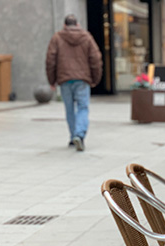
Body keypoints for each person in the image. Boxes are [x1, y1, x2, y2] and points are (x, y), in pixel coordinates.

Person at [45, 14, 103, 151]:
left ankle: (73, 137)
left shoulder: (57, 37)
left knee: (69, 109)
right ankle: (79, 134)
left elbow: (50, 60)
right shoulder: (87, 37)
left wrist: (51, 80)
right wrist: (95, 79)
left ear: (64, 25)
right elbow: (96, 59)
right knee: (83, 107)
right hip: (82, 79)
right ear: (77, 25)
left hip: (64, 79)